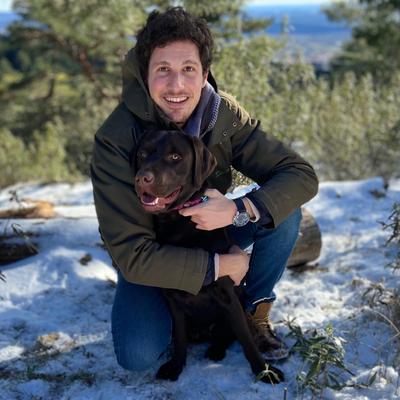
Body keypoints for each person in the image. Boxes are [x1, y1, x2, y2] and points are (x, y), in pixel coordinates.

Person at [91, 7, 318, 371]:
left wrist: (239, 210)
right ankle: (186, 311)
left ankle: (253, 311)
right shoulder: (116, 138)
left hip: (213, 231)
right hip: (152, 257)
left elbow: (300, 174)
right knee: (139, 355)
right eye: (163, 70)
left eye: (188, 69)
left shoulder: (223, 115)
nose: (176, 86)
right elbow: (132, 254)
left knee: (283, 211)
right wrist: (219, 266)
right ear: (145, 74)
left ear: (204, 73)